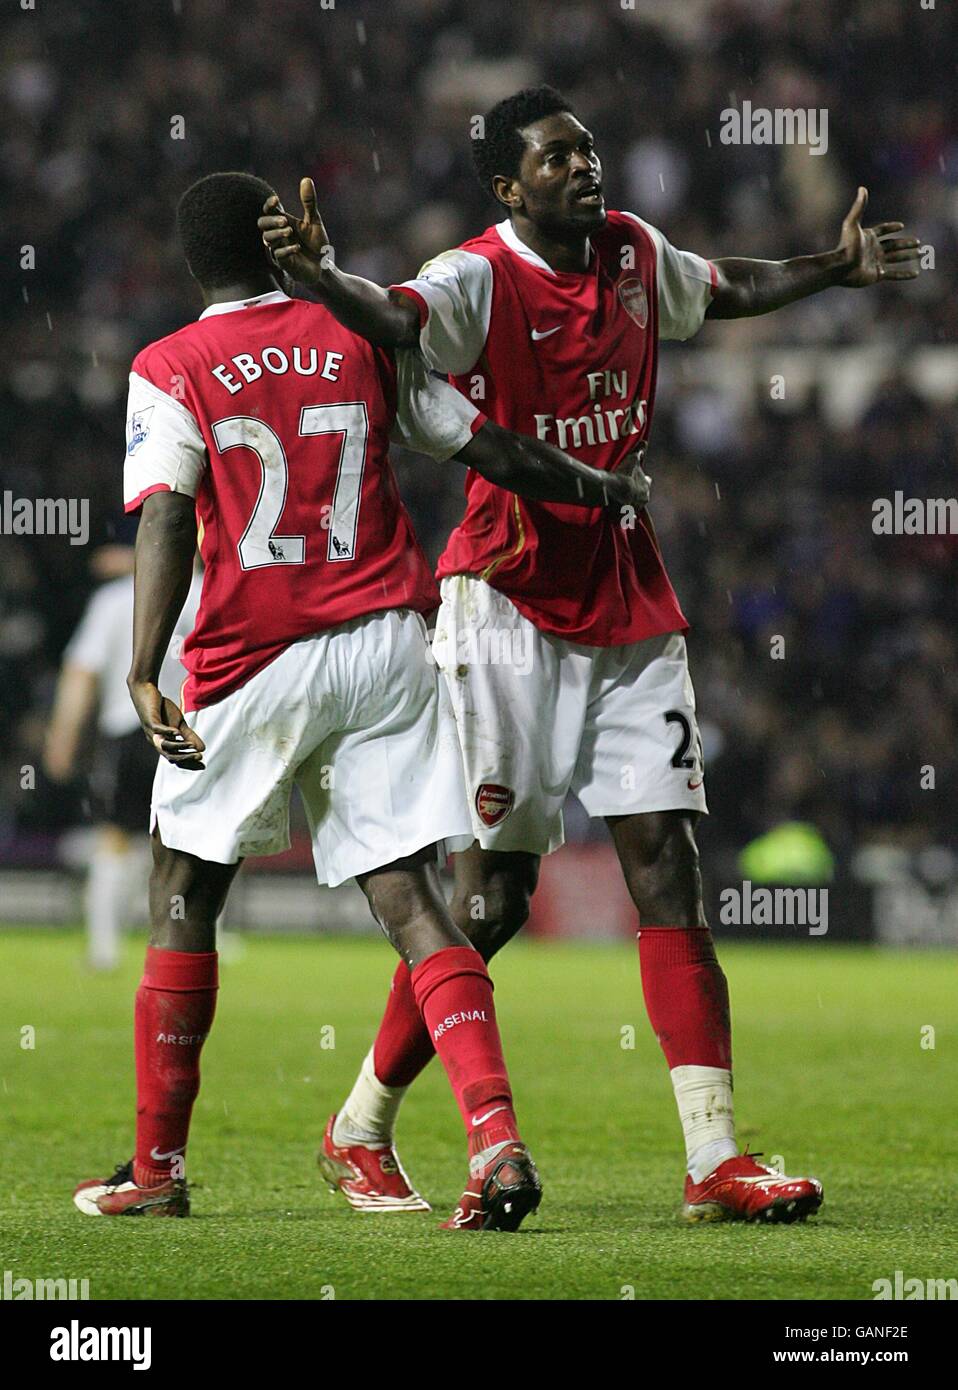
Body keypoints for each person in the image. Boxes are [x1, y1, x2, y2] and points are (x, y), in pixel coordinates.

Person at [260, 85, 921, 1223]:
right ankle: (361, 1119)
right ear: (509, 187)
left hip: (625, 593)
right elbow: (401, 318)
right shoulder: (478, 276)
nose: (584, 167)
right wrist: (321, 281)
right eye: (556, 158)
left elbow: (722, 289)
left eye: (588, 149)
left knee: (666, 862)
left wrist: (832, 266)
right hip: (506, 601)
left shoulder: (632, 250)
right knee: (494, 902)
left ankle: (713, 1158)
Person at [73, 169, 651, 1230]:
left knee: (184, 894)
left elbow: (164, 514)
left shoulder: (169, 363)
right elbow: (482, 443)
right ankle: (494, 1142)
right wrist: (598, 486)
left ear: (193, 261)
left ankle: (157, 1170)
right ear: (278, 242)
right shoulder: (358, 328)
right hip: (388, 638)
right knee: (414, 899)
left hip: (254, 652)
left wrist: (144, 665)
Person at [44, 549, 201, 971]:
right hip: (195, 732)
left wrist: (63, 736)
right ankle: (204, 939)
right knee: (199, 841)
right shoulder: (206, 595)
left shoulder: (115, 599)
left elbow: (82, 671)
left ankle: (105, 947)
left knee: (115, 837)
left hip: (128, 730)